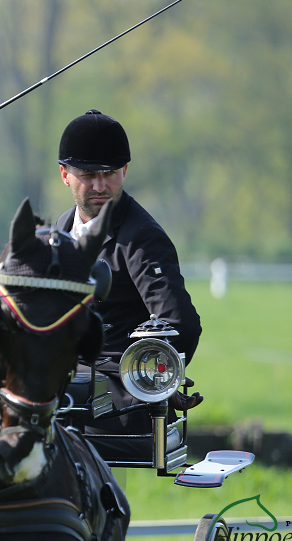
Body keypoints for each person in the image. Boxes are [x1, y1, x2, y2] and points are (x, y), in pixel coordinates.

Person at [54, 109, 202, 436]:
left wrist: (153, 380)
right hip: (58, 381)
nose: (100, 185)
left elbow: (181, 324)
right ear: (65, 174)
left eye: (109, 173)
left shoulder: (141, 237)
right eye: (87, 174)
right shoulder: (60, 229)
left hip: (115, 397)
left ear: (124, 170)